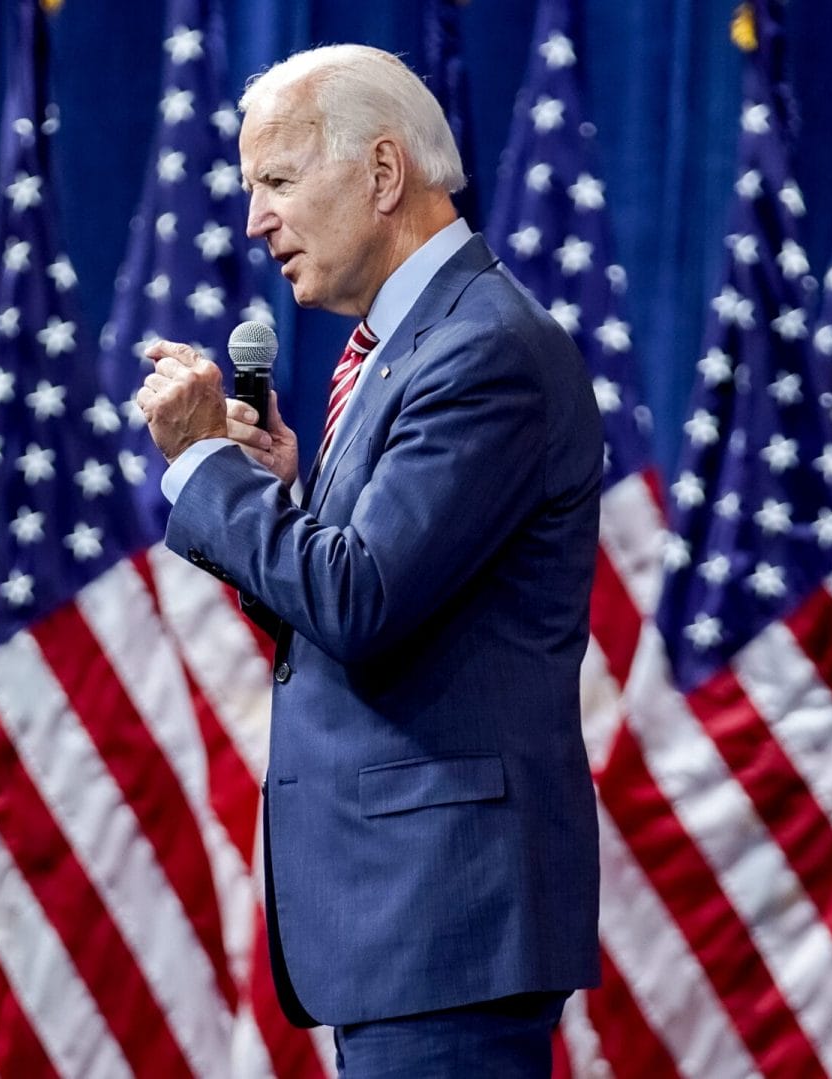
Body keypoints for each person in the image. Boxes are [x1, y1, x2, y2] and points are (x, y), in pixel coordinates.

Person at [133, 44, 603, 1077]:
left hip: (447, 918)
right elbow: (349, 613)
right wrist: (277, 503)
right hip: (408, 921)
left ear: (383, 173)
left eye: (278, 182)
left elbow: (359, 598)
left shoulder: (481, 350)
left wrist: (208, 467)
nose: (256, 221)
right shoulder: (408, 346)